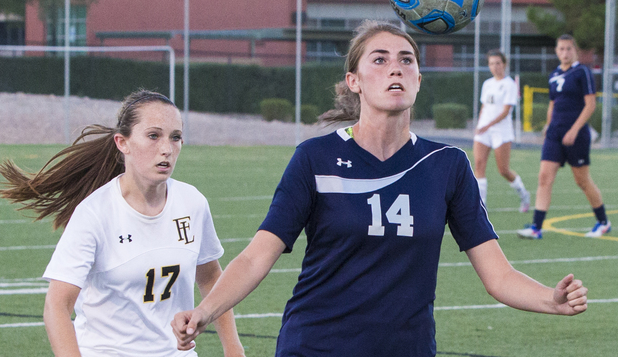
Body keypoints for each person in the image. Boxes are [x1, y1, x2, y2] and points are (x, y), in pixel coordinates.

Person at [170, 21, 588, 357]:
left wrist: (551, 300)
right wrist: (206, 311)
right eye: (380, 59)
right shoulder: (314, 158)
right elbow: (256, 255)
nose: (396, 68)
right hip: (316, 345)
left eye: (407, 60)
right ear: (353, 80)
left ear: (419, 80)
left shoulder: (447, 165)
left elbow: (498, 275)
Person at [0, 90, 245, 357]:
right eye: (153, 135)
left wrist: (233, 348)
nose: (166, 148)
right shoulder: (94, 213)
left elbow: (210, 278)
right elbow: (56, 306)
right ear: (122, 142)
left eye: (176, 137)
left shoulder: (192, 203)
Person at [518, 35, 611, 239]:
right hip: (554, 134)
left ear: (575, 51)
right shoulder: (554, 75)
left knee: (582, 181)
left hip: (575, 134)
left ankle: (603, 222)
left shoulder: (582, 72)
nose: (565, 53)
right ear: (556, 51)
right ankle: (536, 227)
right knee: (544, 178)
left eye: (569, 49)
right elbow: (553, 103)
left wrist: (574, 130)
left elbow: (590, 105)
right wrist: (548, 125)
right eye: (561, 49)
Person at [473, 50, 531, 212]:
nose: (495, 67)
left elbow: (505, 111)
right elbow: (484, 107)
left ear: (504, 64)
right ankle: (481, 205)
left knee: (503, 170)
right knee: (478, 165)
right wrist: (480, 124)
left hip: (501, 131)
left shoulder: (510, 84)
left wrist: (488, 125)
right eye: (491, 63)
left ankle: (524, 194)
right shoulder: (487, 84)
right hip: (484, 130)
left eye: (498, 63)